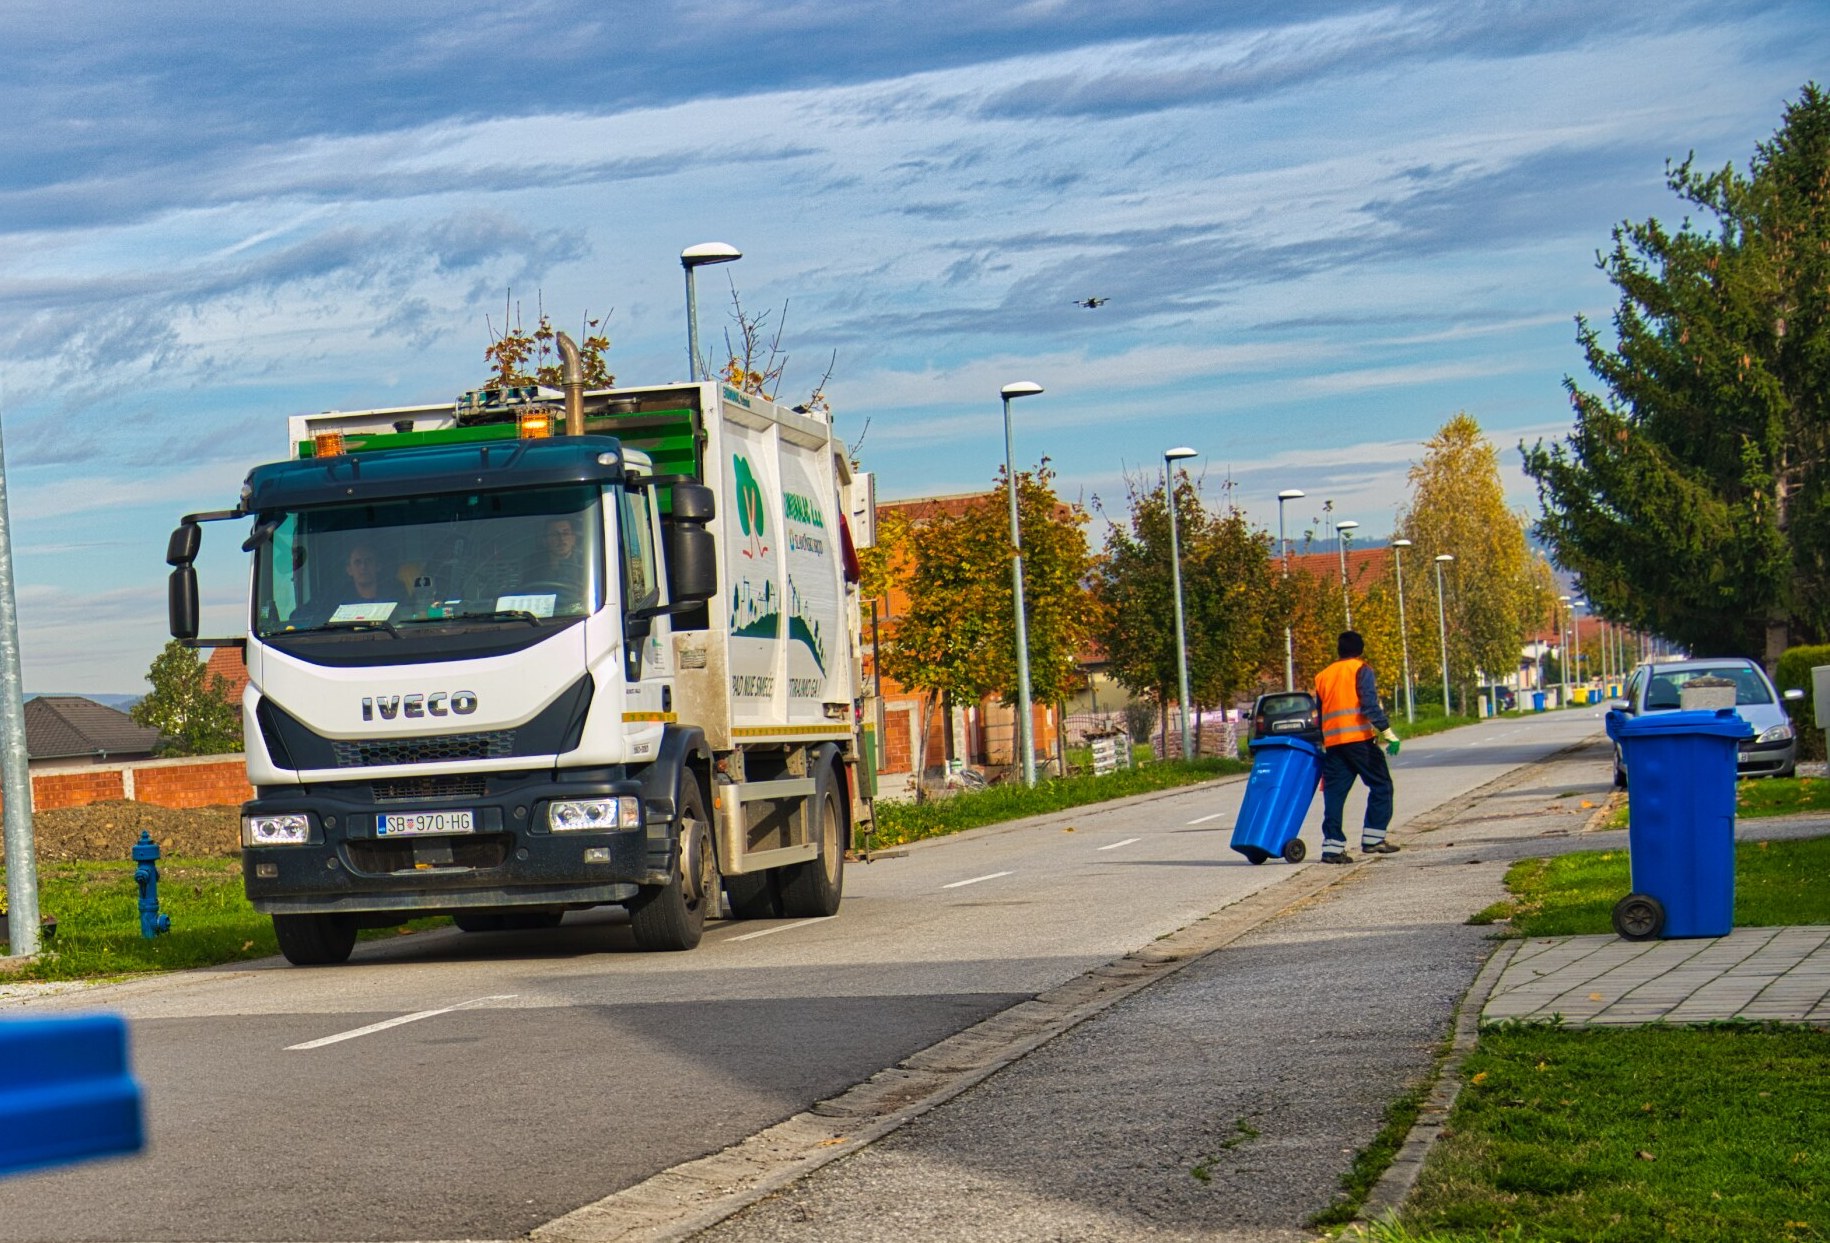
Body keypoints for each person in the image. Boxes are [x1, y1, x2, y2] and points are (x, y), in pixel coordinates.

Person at [1313, 630, 1402, 864]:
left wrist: (1321, 744)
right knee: (1381, 786)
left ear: (1339, 650)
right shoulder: (1361, 669)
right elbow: (1369, 704)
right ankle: (1373, 839)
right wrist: (1388, 733)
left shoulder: (1323, 675)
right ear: (1360, 650)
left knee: (1334, 796)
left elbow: (1320, 714)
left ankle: (1332, 849)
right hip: (1359, 741)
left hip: (1334, 745)